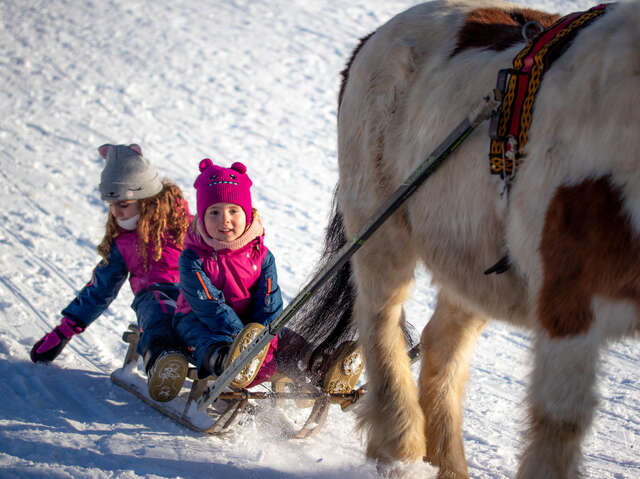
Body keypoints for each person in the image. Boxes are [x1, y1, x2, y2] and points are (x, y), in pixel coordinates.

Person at [30, 143, 192, 402]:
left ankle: (241, 360)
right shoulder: (122, 243)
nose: (116, 212)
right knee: (156, 313)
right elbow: (99, 290)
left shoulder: (182, 222)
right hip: (156, 298)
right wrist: (63, 331)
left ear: (146, 200)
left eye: (124, 204)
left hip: (195, 294)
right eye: (112, 205)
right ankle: (163, 362)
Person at [171, 159, 283, 396]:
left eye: (233, 210)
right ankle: (228, 365)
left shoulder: (262, 255)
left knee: (286, 336)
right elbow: (209, 305)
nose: (225, 220)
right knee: (209, 341)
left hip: (250, 328)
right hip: (199, 321)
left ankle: (318, 363)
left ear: (247, 212)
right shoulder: (192, 258)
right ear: (201, 217)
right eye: (214, 212)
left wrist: (265, 339)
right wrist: (243, 339)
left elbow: (269, 302)